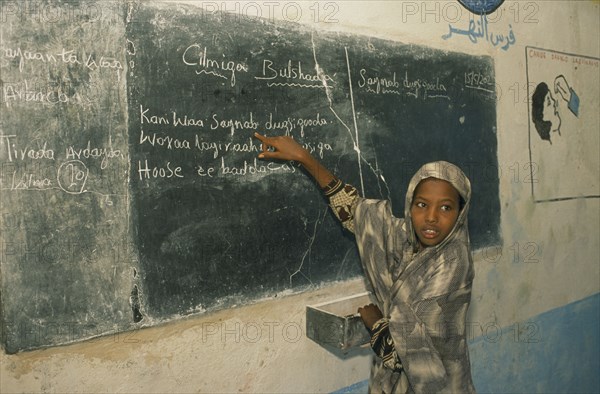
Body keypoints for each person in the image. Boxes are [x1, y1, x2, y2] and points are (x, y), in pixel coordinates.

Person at [254, 132, 476, 393]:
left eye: (446, 208)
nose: (431, 217)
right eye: (421, 204)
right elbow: (356, 214)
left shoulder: (452, 265)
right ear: (410, 205)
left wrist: (376, 323)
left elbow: (412, 361)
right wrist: (303, 157)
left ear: (461, 213)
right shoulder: (407, 238)